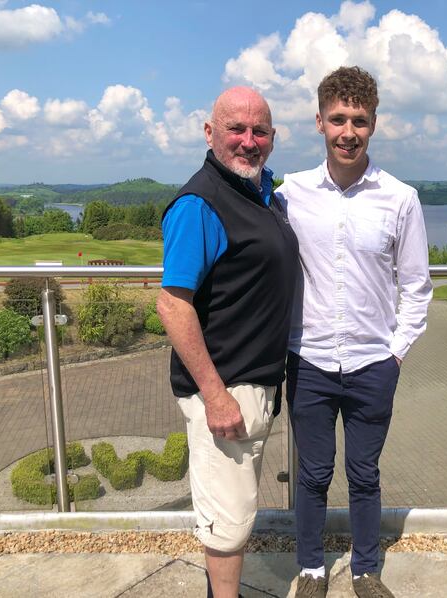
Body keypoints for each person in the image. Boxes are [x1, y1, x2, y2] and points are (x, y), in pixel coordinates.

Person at [276, 67, 433, 598]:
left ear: (373, 125)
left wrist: (395, 354)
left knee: (364, 475)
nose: (348, 131)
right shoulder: (288, 195)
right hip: (310, 362)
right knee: (314, 474)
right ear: (319, 122)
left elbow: (417, 286)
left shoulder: (400, 199)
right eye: (338, 119)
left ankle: (365, 570)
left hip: (372, 364)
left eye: (359, 121)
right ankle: (313, 569)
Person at [156, 86, 298, 598]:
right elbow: (173, 305)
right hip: (227, 392)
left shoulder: (260, 194)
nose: (248, 140)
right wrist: (215, 397)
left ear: (273, 139)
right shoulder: (200, 202)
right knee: (229, 522)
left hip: (252, 386)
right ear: (210, 133)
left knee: (237, 513)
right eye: (236, 129)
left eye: (259, 130)